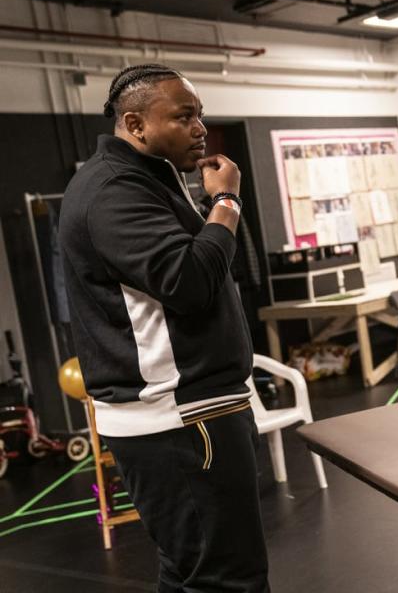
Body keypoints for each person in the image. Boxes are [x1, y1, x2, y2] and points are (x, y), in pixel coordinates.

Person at [60, 64, 269, 591]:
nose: (200, 128)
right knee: (228, 579)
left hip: (186, 413)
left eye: (200, 114)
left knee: (192, 572)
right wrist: (226, 203)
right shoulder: (113, 190)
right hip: (177, 418)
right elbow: (190, 281)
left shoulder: (145, 179)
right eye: (184, 116)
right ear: (135, 123)